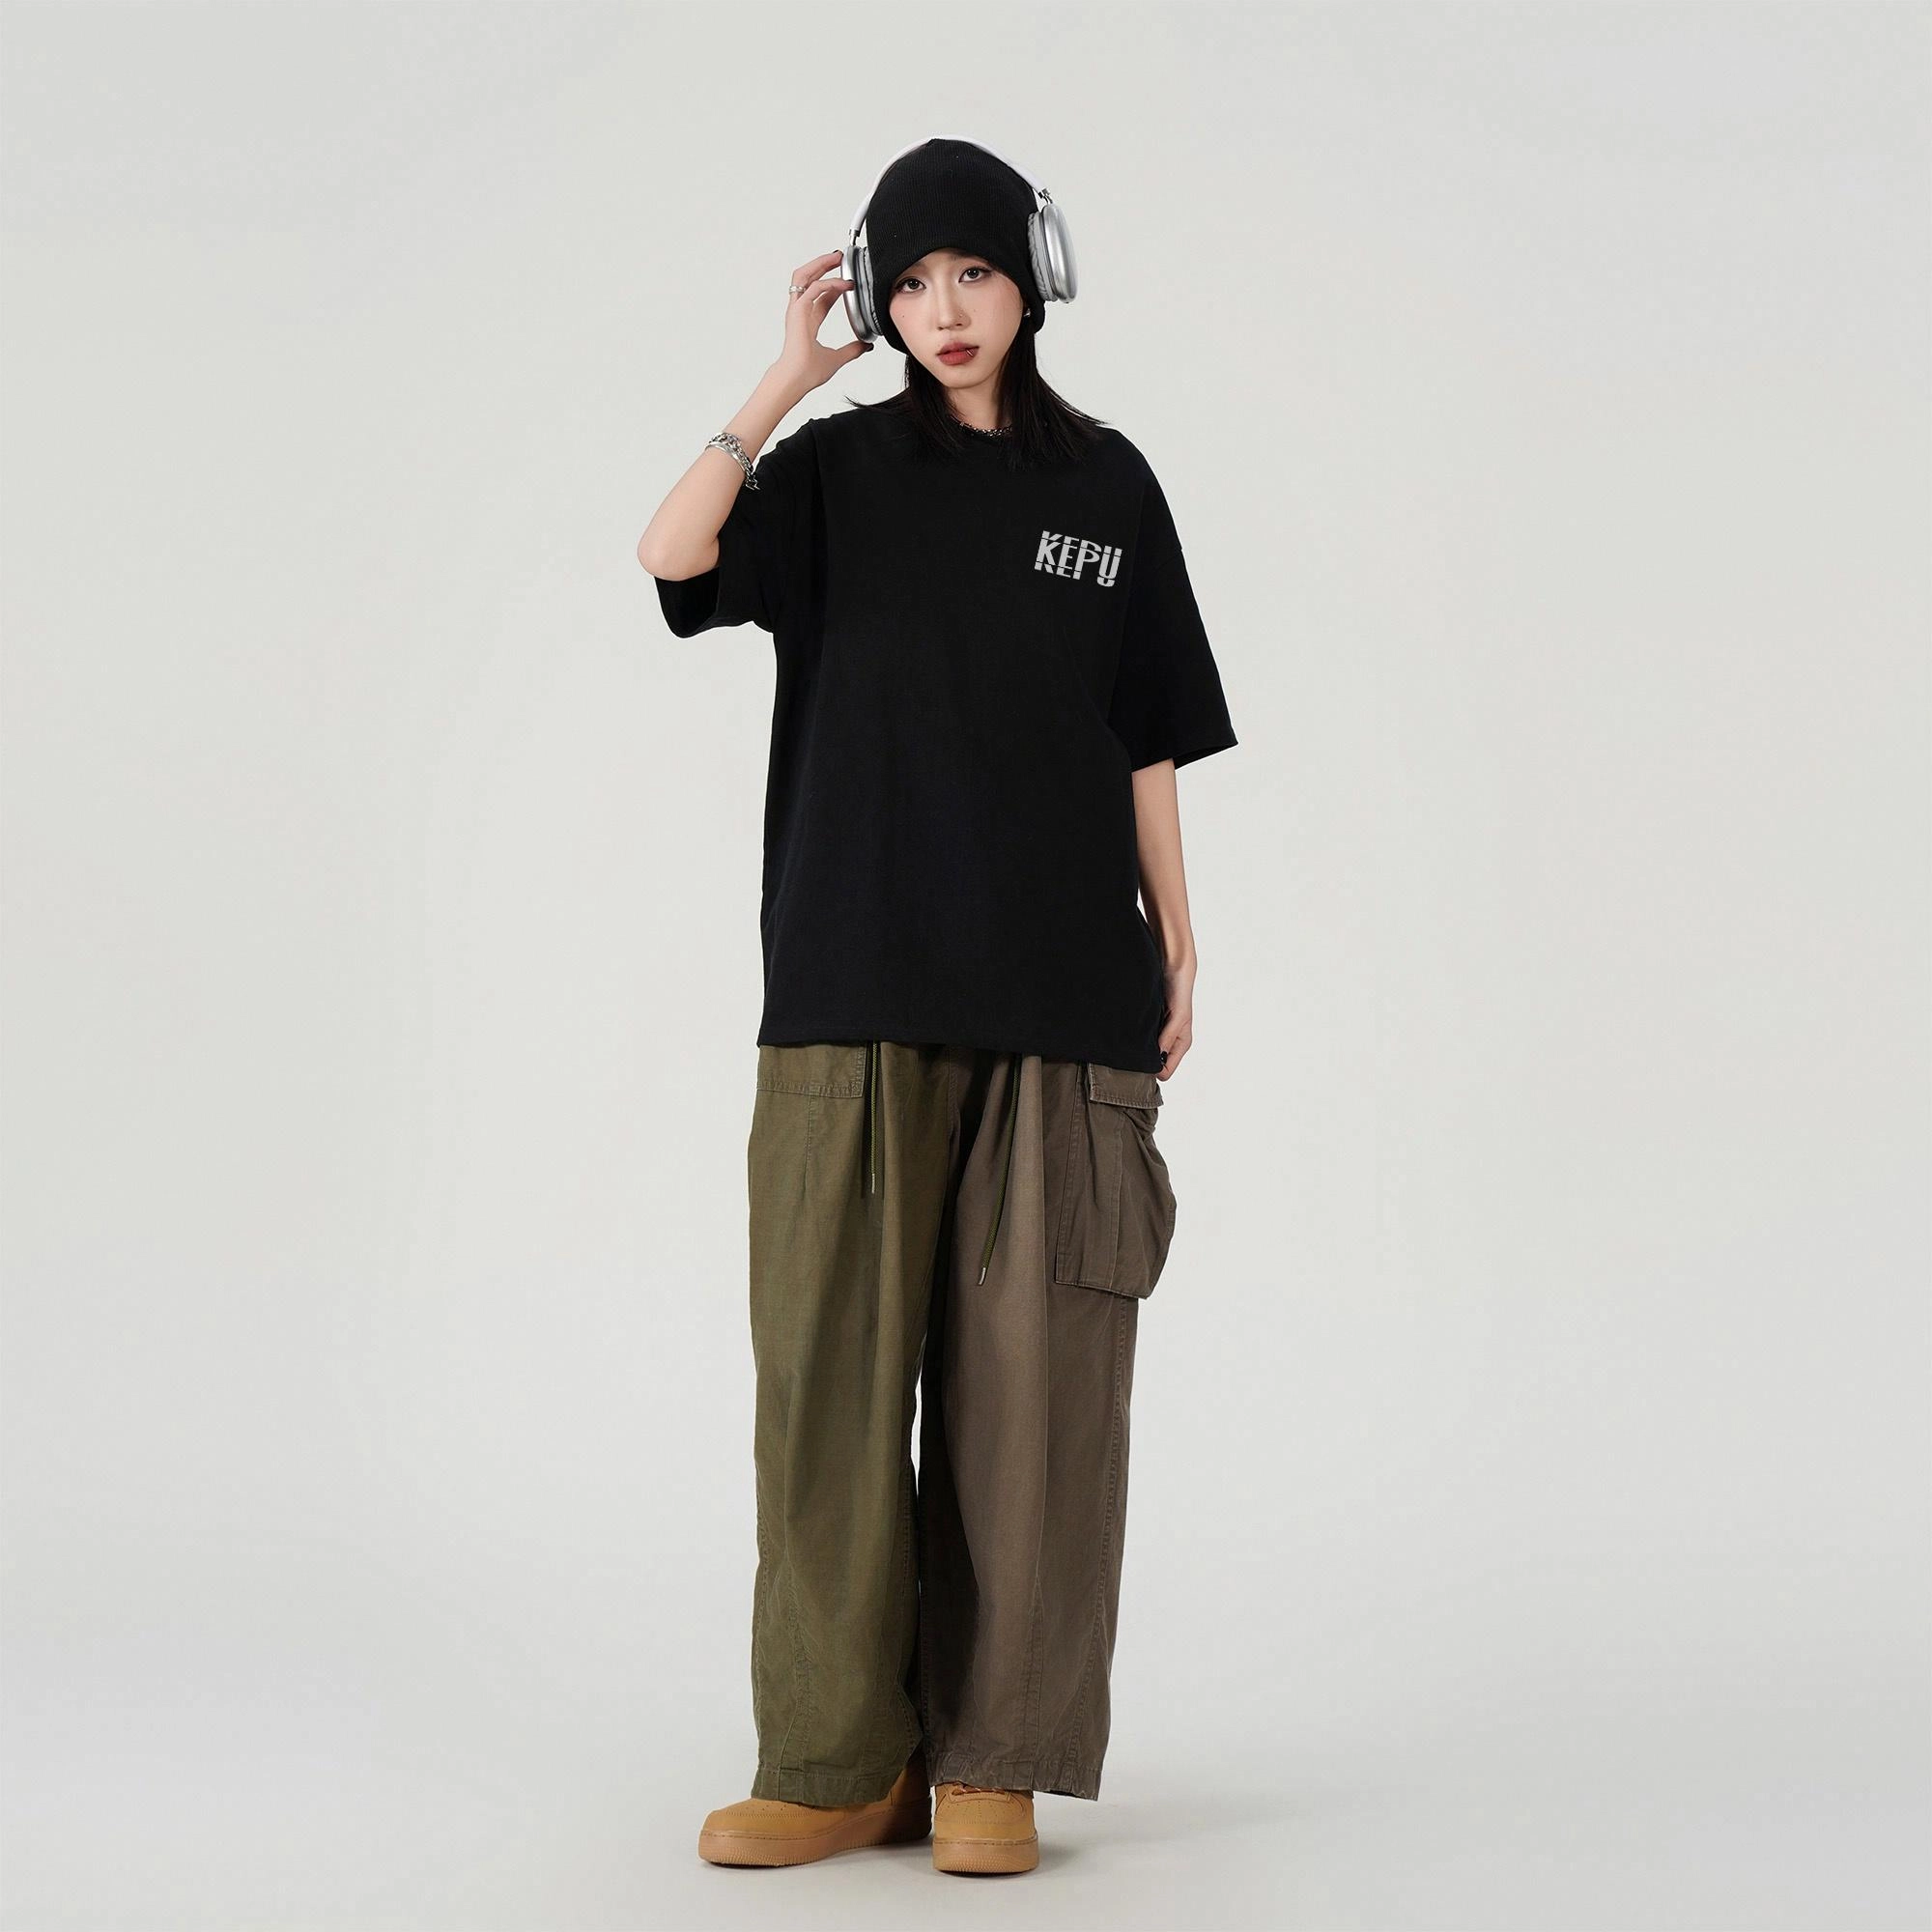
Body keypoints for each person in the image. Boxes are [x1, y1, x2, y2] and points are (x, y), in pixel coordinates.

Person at [634, 137, 1238, 1878]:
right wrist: (784, 378)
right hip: (854, 989)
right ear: (875, 299)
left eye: (970, 270)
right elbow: (672, 557)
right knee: (827, 1390)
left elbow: (1146, 736)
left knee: (1034, 1406)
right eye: (906, 282)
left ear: (1032, 271)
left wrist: (1181, 934)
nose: (942, 309)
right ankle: (838, 1760)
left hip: (1062, 994)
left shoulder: (1110, 488)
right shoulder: (835, 475)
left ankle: (992, 1761)